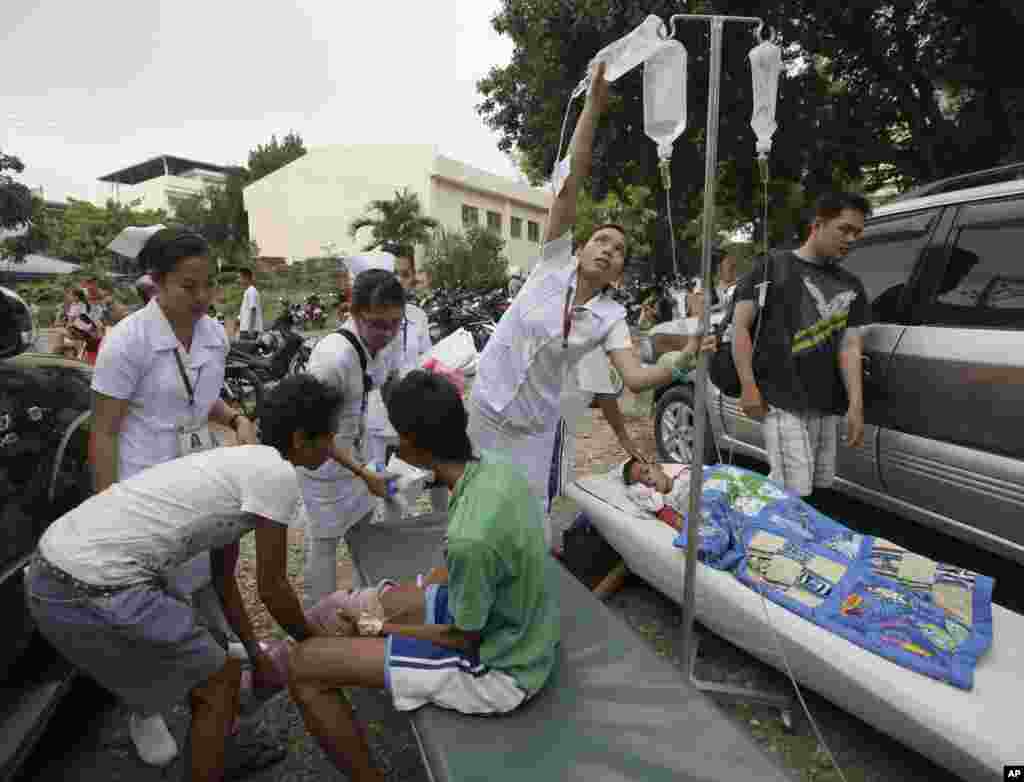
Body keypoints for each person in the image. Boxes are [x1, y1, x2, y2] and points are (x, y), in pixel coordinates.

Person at [25, 375, 346, 780]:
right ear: (302, 439)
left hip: (52, 571)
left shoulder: (242, 462)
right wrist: (317, 644)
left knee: (213, 668)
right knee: (220, 680)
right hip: (92, 583)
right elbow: (273, 588)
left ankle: (213, 748)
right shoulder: (277, 475)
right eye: (329, 437)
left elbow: (223, 579)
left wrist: (256, 650)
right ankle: (211, 757)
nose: (333, 447)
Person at [288, 370, 560, 782]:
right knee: (370, 603)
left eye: (398, 434)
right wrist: (397, 605)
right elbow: (462, 565)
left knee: (305, 666)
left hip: (501, 671)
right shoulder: (494, 468)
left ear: (412, 444)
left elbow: (462, 636)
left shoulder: (470, 537)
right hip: (519, 624)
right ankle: (316, 640)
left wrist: (381, 628)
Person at [467, 63, 699, 545]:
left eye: (618, 251)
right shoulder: (552, 264)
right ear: (580, 246)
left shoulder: (612, 316)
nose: (608, 249)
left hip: (533, 427)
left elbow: (634, 379)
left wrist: (680, 363)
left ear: (618, 272)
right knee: (474, 506)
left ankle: (526, 592)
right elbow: (572, 180)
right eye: (601, 240)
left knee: (527, 519)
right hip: (487, 406)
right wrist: (593, 106)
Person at [90, 227, 260, 765]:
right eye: (190, 286)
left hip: (197, 479)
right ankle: (143, 705)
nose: (204, 297)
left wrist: (234, 416)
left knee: (194, 581)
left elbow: (201, 397)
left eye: (210, 285)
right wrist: (108, 506)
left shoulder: (213, 336)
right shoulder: (127, 341)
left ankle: (208, 683)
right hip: (143, 487)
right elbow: (104, 432)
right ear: (157, 283)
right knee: (147, 601)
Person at [732, 192, 872, 502]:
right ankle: (771, 544)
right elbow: (739, 327)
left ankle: (799, 543)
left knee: (820, 486)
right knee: (791, 491)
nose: (851, 239)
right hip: (782, 399)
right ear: (818, 224)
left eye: (857, 233)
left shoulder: (851, 285)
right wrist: (748, 386)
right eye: (844, 229)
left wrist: (855, 405)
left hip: (825, 403)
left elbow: (850, 347)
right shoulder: (772, 266)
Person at [299, 268, 405, 607]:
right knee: (325, 540)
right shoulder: (333, 359)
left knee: (364, 534)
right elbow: (313, 435)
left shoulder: (385, 341)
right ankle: (319, 621)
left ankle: (363, 606)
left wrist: (412, 435)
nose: (387, 333)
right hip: (323, 461)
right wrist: (364, 473)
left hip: (358, 455)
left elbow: (390, 385)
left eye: (394, 323)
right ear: (354, 312)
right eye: (377, 324)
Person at [365, 243, 448, 514]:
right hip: (381, 415)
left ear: (412, 276)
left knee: (436, 480)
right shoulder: (369, 318)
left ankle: (442, 536)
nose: (399, 282)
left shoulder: (419, 318)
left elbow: (427, 361)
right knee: (389, 488)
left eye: (404, 274)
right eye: (393, 274)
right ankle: (392, 538)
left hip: (416, 411)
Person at [236, 267, 262, 339]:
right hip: (245, 329)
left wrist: (251, 329)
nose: (238, 280)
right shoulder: (248, 291)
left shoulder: (251, 291)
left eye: (239, 277)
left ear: (246, 278)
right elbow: (247, 310)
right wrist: (239, 319)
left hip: (248, 330)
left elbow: (253, 310)